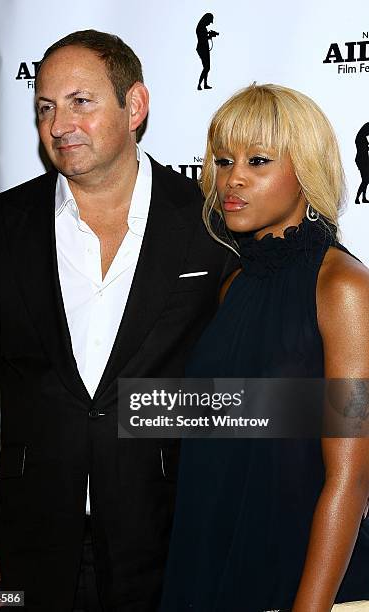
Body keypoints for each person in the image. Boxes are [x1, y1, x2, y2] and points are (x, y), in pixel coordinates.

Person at [0, 30, 228, 612]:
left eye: (80, 101)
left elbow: (241, 384)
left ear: (135, 107)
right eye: (45, 107)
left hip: (169, 538)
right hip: (22, 549)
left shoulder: (209, 226)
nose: (58, 125)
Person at [160, 84, 369, 611]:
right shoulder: (234, 287)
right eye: (224, 160)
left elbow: (351, 475)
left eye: (258, 161)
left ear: (306, 170)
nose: (232, 179)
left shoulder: (343, 288)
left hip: (308, 586)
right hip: (217, 573)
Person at [195, 13, 217, 91]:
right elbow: (202, 38)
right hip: (202, 49)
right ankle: (199, 84)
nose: (209, 23)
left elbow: (204, 36)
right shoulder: (200, 27)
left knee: (207, 68)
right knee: (206, 68)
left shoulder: (203, 27)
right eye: (209, 21)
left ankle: (205, 84)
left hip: (205, 48)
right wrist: (210, 36)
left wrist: (210, 35)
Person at [355, 122, 369, 204]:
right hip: (362, 160)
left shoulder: (362, 137)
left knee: (366, 180)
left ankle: (363, 197)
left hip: (364, 160)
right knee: (365, 180)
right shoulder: (360, 138)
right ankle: (357, 198)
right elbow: (364, 149)